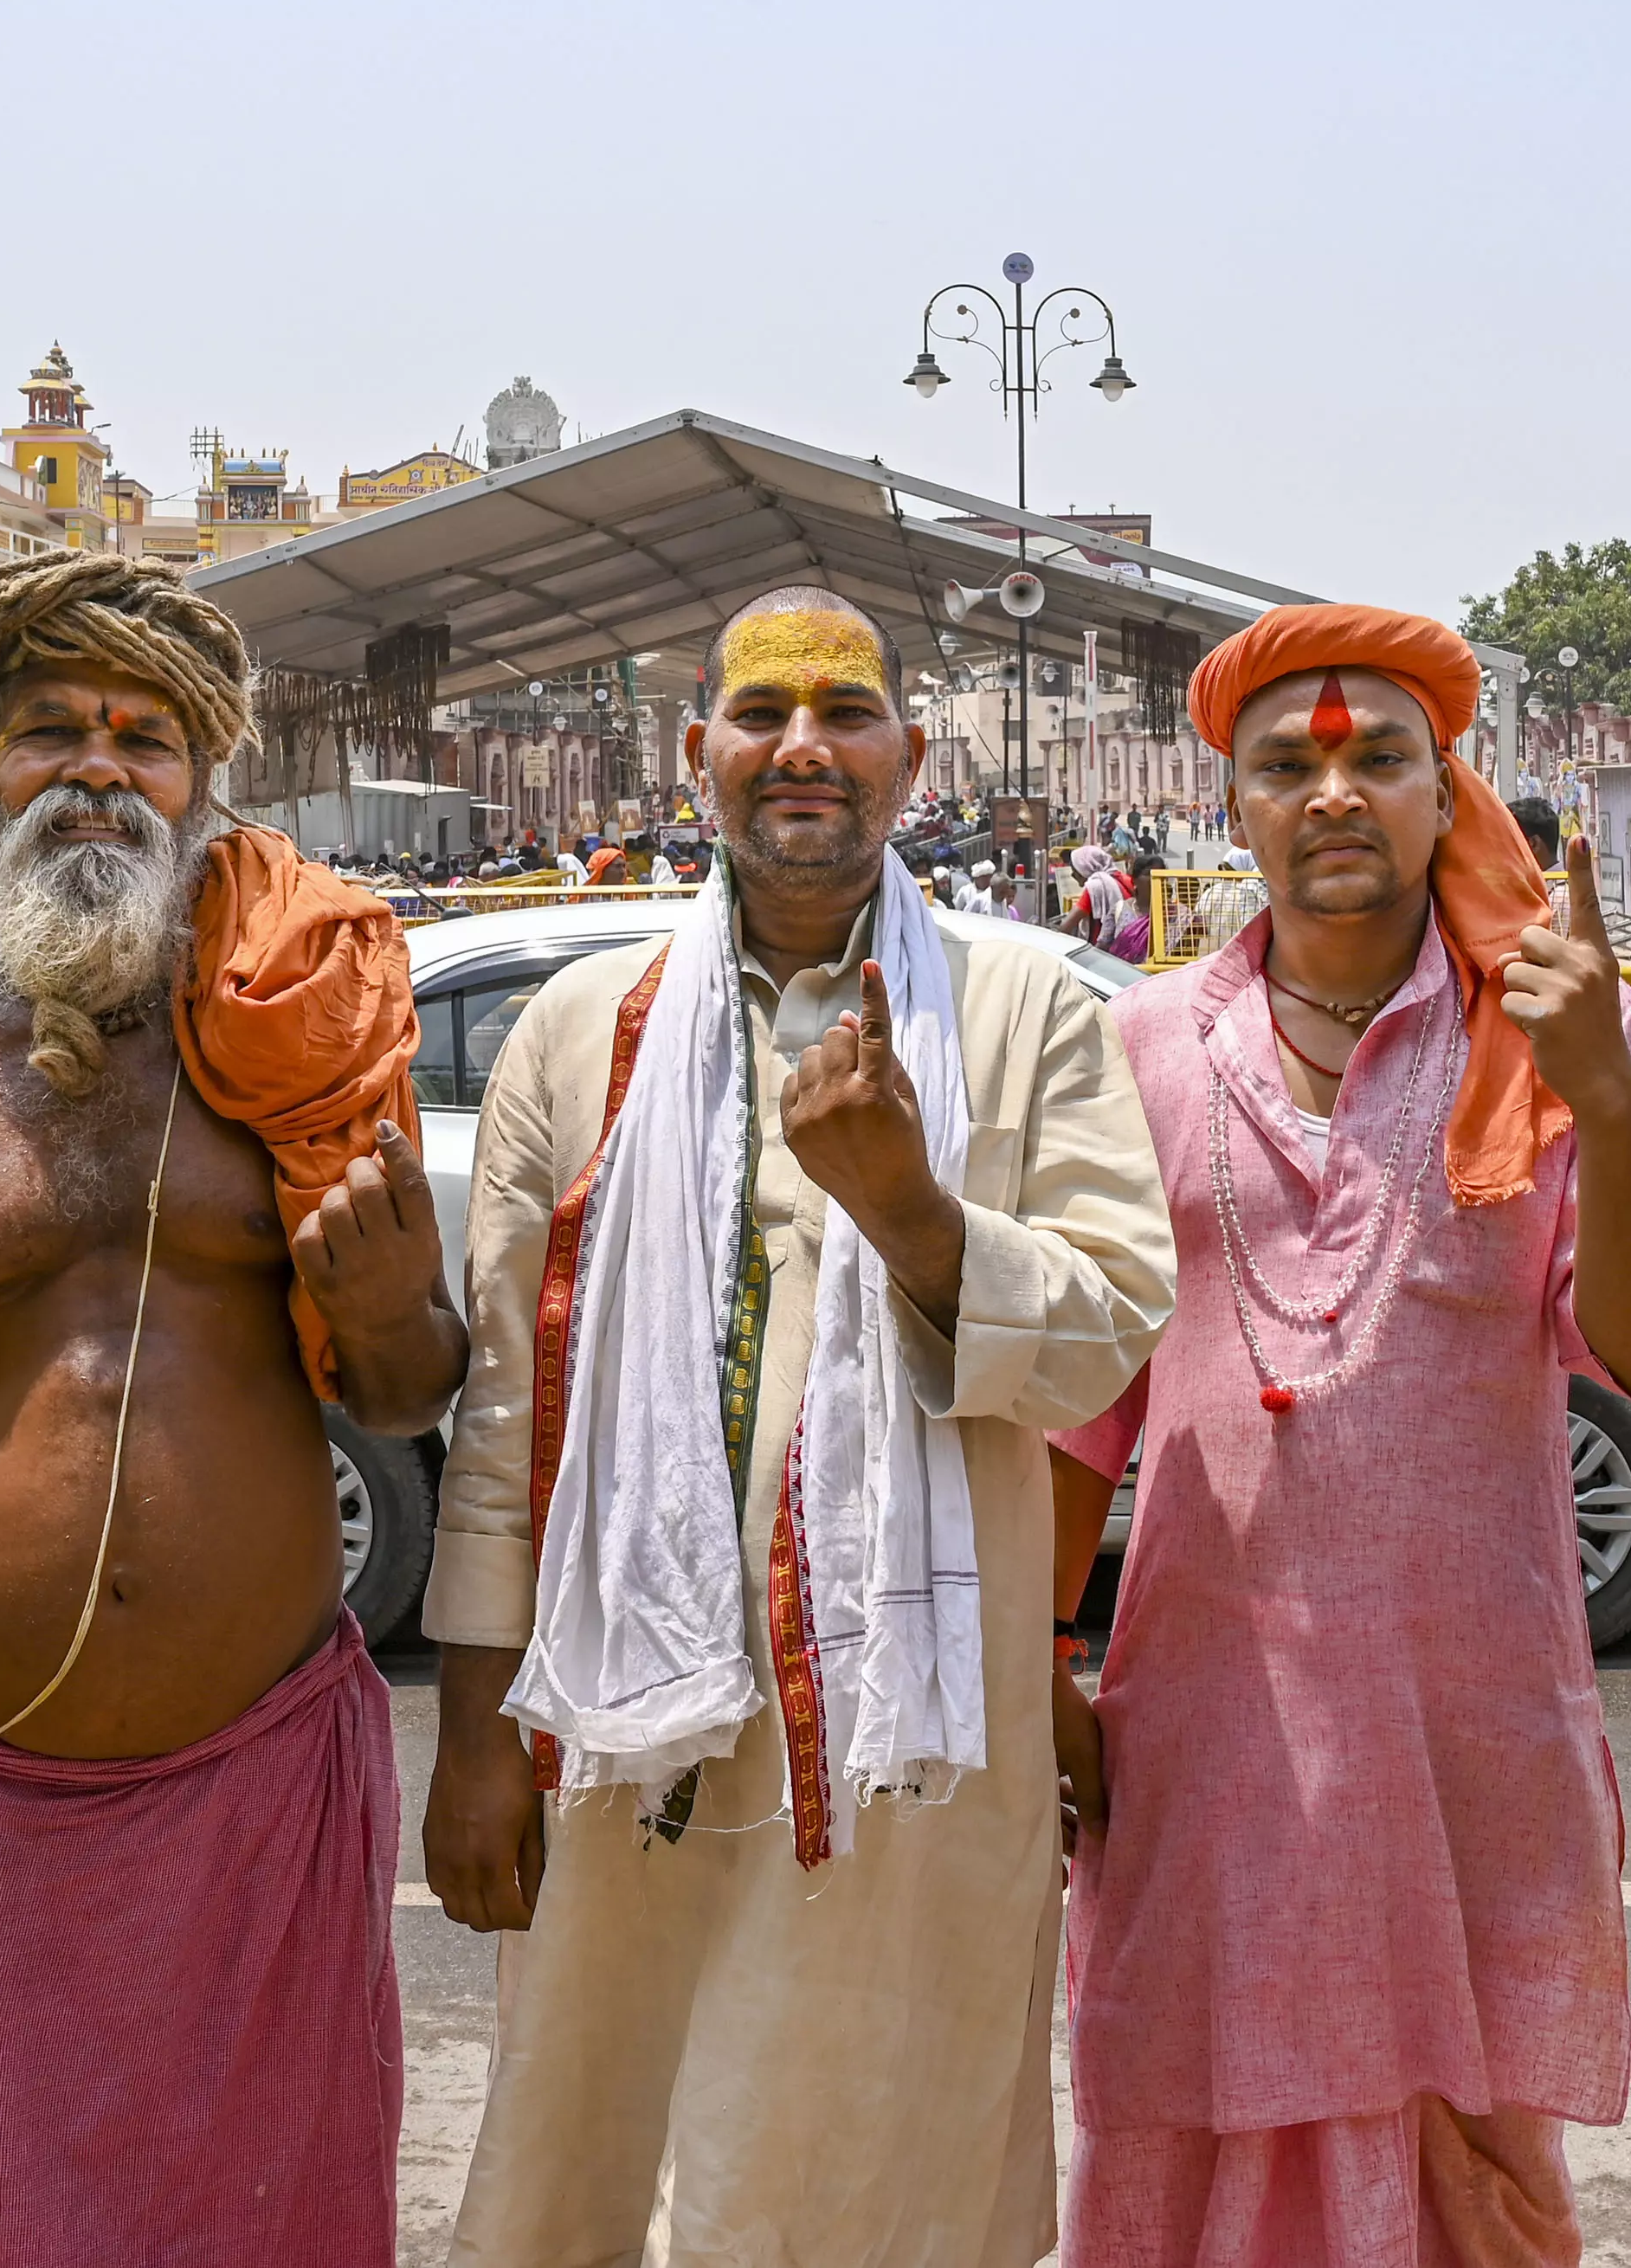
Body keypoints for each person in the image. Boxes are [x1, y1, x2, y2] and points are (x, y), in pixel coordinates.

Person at [422, 583, 1174, 2266]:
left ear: (911, 755)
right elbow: (502, 1409)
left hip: (912, 1732)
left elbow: (1111, 1330)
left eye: (846, 711)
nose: (802, 746)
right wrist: (475, 1727)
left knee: (871, 2165)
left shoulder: (1024, 1016)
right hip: (619, 1729)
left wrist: (912, 1210)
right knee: (596, 2147)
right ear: (701, 755)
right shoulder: (581, 1026)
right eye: (763, 712)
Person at [0, 554, 461, 2268]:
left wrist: (389, 1308)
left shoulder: (306, 1049)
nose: (97, 767)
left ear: (204, 785)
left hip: (262, 1798)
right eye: (48, 730)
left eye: (145, 735)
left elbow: (405, 1383)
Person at [1048, 607, 1631, 2264]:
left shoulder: (1564, 1039)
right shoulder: (1136, 1049)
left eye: (1378, 759)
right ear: (1232, 807)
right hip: (1207, 1738)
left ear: (1440, 791)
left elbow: (1630, 1342)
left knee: (1474, 2175)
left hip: (1471, 1735)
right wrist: (1044, 1658)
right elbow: (1083, 1406)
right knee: (1200, 2151)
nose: (1334, 792)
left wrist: (1602, 1099)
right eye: (1288, 765)